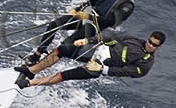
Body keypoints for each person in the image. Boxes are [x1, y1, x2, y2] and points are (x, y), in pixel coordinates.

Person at [23, 0, 135, 68]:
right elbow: (92, 1)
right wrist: (76, 10)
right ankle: (37, 55)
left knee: (66, 44)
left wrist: (87, 16)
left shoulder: (127, 5)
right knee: (54, 25)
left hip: (98, 25)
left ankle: (37, 67)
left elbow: (110, 21)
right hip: (87, 15)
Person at [17, 31, 163, 88]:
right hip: (99, 51)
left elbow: (125, 71)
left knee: (67, 75)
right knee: (63, 49)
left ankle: (29, 83)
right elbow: (110, 38)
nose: (149, 45)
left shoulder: (146, 63)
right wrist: (87, 40)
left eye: (154, 45)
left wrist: (102, 69)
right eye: (150, 41)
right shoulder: (134, 38)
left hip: (101, 66)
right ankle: (31, 70)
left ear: (158, 47)